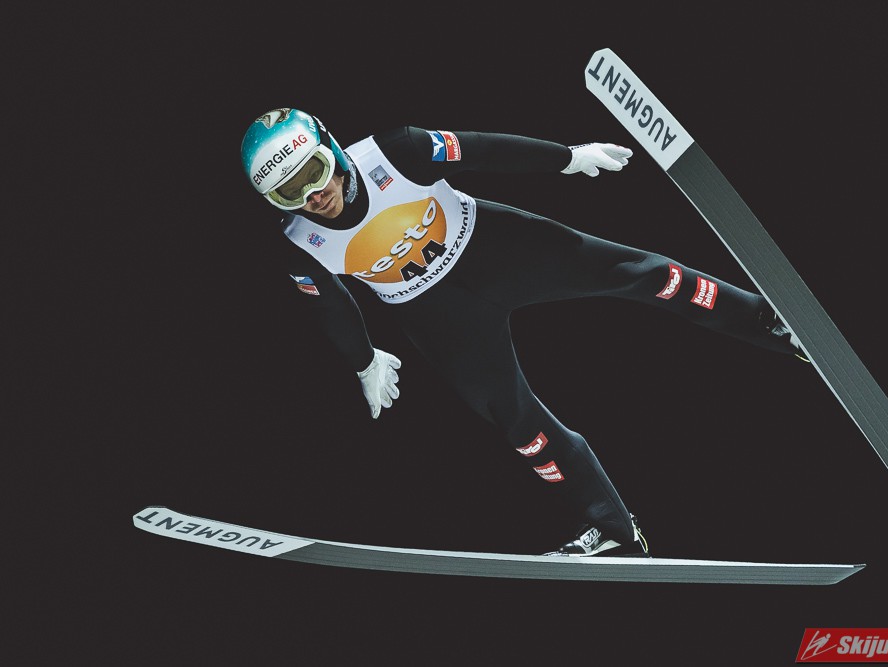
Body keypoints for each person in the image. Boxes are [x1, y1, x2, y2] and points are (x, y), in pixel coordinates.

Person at [240, 108, 804, 557]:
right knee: (518, 425)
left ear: (332, 150)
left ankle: (770, 322)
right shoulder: (296, 241)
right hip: (438, 318)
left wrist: (568, 158)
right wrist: (364, 361)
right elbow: (331, 304)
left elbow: (484, 149)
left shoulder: (395, 151)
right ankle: (613, 530)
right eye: (290, 192)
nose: (312, 197)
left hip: (497, 250)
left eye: (312, 173)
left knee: (642, 274)